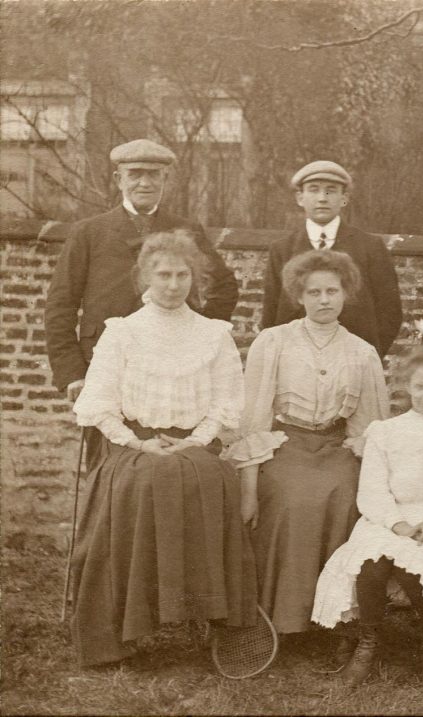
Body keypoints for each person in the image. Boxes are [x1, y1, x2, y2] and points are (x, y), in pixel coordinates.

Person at [68, 231, 256, 667]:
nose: (173, 284)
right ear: (144, 279)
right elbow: (99, 404)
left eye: (182, 274)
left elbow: (226, 405)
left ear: (195, 278)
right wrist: (137, 441)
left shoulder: (213, 334)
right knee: (141, 481)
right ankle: (124, 629)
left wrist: (194, 440)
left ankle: (214, 619)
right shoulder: (122, 333)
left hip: (194, 444)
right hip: (133, 445)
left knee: (209, 476)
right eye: (164, 274)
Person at [225, 250, 390, 637]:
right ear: (299, 296)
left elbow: (368, 429)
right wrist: (248, 489)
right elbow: (253, 421)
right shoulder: (274, 342)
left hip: (335, 447)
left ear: (346, 294)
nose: (324, 300)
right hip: (283, 443)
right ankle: (281, 619)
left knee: (346, 492)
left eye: (332, 291)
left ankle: (337, 623)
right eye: (313, 292)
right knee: (291, 496)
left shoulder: (362, 353)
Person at [45, 138, 239, 464]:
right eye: (135, 174)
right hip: (103, 366)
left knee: (174, 462)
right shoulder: (89, 232)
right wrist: (73, 373)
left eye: (154, 174)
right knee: (107, 463)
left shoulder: (185, 230)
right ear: (118, 179)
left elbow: (224, 287)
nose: (144, 182)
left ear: (165, 180)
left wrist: (195, 332)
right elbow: (60, 305)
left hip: (168, 373)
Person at [312, 344, 423, 689]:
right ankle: (367, 641)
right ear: (408, 387)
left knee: (414, 568)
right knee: (370, 564)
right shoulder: (385, 432)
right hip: (386, 518)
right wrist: (397, 525)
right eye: (420, 387)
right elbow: (372, 491)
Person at [261, 160, 403, 357]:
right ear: (300, 197)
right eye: (313, 190)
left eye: (331, 190)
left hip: (353, 361)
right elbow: (270, 316)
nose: (322, 198)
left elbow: (390, 313)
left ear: (344, 198)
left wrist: (368, 354)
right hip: (294, 362)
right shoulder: (282, 250)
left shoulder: (370, 247)